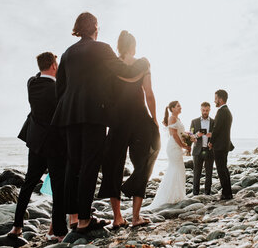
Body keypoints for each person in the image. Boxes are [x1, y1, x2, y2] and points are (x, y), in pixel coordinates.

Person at [51, 12, 149, 234]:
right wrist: (143, 63)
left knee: (72, 165)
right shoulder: (101, 48)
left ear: (78, 28)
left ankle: (73, 219)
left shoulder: (67, 53)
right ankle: (85, 220)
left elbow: (61, 88)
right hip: (94, 113)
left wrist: (68, 108)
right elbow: (125, 71)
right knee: (90, 164)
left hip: (68, 114)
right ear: (95, 28)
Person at [98, 30, 160, 229]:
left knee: (113, 166)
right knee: (141, 164)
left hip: (118, 121)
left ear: (119, 47)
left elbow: (104, 95)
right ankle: (135, 217)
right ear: (133, 46)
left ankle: (117, 218)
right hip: (140, 119)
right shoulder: (143, 63)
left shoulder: (111, 65)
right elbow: (149, 93)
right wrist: (155, 119)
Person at [9, 52, 67, 241]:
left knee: (28, 183)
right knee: (58, 187)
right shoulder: (58, 89)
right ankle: (59, 232)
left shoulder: (31, 84)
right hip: (54, 144)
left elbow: (36, 75)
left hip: (35, 142)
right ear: (53, 65)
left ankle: (17, 226)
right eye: (56, 64)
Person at [146, 101, 189, 209]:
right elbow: (174, 135)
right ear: (173, 108)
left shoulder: (177, 118)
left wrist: (188, 137)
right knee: (175, 169)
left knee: (179, 169)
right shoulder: (172, 118)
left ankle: (178, 195)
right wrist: (183, 146)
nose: (181, 107)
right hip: (174, 146)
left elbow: (180, 133)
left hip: (177, 146)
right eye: (178, 106)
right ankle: (169, 197)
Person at [209, 89, 234, 200]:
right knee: (224, 169)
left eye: (215, 98)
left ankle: (226, 194)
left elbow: (217, 129)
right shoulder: (227, 111)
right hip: (224, 144)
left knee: (221, 169)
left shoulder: (222, 111)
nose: (214, 101)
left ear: (220, 99)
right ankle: (227, 192)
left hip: (219, 145)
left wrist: (211, 142)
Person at [190, 102, 215, 195]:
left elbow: (217, 135)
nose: (205, 112)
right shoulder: (194, 121)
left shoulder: (213, 122)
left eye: (207, 110)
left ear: (209, 110)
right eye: (203, 110)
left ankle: (207, 193)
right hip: (197, 151)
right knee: (196, 173)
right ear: (201, 110)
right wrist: (197, 135)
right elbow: (190, 136)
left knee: (209, 173)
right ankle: (195, 194)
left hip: (209, 150)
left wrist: (212, 135)